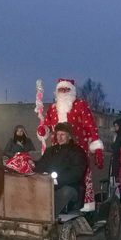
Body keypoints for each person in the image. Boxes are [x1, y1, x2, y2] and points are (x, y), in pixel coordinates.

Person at [36, 79, 104, 211]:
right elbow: (48, 126)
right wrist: (44, 130)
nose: (63, 92)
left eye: (66, 90)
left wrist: (97, 147)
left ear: (71, 90)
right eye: (60, 90)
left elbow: (90, 125)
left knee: (80, 175)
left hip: (79, 146)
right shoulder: (53, 108)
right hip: (57, 149)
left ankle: (84, 205)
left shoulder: (80, 105)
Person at [34, 123, 88, 214]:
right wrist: (32, 164)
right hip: (49, 184)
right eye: (58, 134)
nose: (59, 137)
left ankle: (49, 216)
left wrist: (56, 180)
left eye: (62, 134)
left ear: (69, 137)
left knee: (64, 192)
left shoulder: (77, 152)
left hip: (70, 186)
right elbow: (41, 164)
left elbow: (76, 173)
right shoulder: (50, 151)